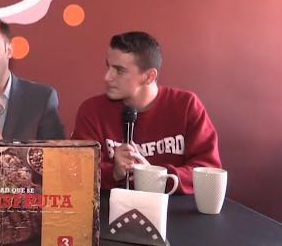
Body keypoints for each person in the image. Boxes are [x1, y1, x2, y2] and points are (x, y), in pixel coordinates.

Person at [72, 31, 221, 194]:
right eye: (108, 67)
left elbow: (208, 171)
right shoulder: (92, 110)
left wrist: (154, 175)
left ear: (149, 76)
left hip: (174, 207)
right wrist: (114, 172)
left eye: (119, 70)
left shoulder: (186, 105)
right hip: (111, 207)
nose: (107, 77)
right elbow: (76, 172)